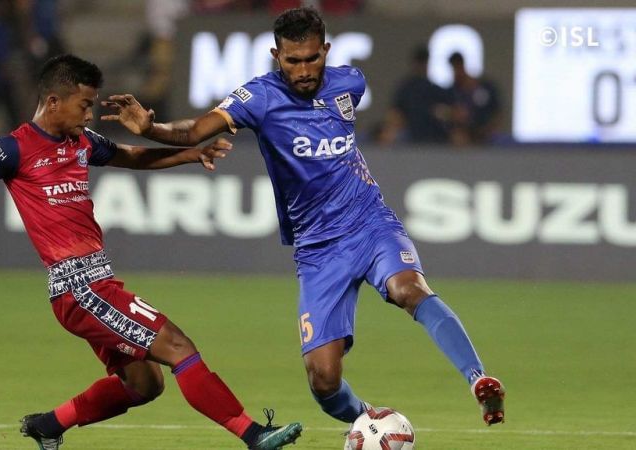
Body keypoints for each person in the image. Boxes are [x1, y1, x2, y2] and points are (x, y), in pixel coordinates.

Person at [0, 54, 302, 450]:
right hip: (78, 286)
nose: (89, 113)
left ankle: (50, 424)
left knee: (144, 384)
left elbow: (131, 156)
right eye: (84, 104)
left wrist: (191, 154)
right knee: (178, 346)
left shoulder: (82, 142)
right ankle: (252, 434)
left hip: (96, 282)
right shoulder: (12, 149)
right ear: (53, 101)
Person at [103, 7, 506, 429]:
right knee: (324, 380)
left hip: (370, 222)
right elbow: (193, 131)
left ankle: (479, 380)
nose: (303, 69)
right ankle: (372, 423)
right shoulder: (258, 99)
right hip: (318, 249)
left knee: (409, 288)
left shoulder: (350, 82)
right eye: (292, 60)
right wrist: (152, 128)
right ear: (277, 55)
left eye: (312, 58)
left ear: (326, 50)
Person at [377, 45, 452, 145]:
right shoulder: (406, 89)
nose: (422, 66)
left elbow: (449, 112)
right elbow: (394, 113)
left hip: (434, 136)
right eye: (421, 62)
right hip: (410, 137)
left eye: (424, 62)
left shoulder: (433, 89)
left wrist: (445, 113)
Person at [447, 51, 502, 146]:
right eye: (454, 69)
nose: (456, 72)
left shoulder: (485, 87)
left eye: (457, 67)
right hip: (465, 135)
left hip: (485, 135)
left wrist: (490, 129)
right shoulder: (453, 92)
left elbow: (497, 111)